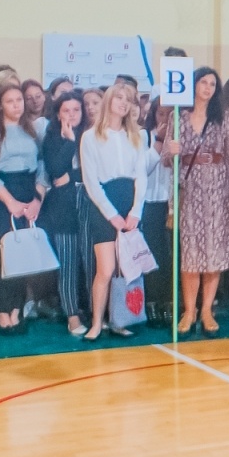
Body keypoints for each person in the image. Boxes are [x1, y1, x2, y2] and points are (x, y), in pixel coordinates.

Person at [164, 67, 229, 336]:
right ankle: (189, 310)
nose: (207, 88)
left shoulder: (222, 118)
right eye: (203, 82)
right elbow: (165, 160)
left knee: (213, 253)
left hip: (218, 189)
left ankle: (207, 309)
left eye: (212, 84)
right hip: (189, 190)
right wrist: (171, 151)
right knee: (191, 254)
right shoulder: (177, 117)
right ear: (193, 85)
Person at [0, 76, 48, 333]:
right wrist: (10, 202)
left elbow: (43, 166)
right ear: (0, 105)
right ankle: (0, 310)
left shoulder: (33, 130)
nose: (16, 105)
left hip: (28, 190)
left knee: (23, 254)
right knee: (2, 253)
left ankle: (16, 308)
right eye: (10, 101)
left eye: (19, 100)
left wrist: (37, 199)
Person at [79, 80, 147, 341]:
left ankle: (120, 319)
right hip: (104, 205)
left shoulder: (137, 136)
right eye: (119, 97)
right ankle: (97, 322)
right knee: (106, 269)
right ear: (108, 100)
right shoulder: (90, 137)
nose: (123, 103)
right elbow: (91, 181)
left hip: (129, 202)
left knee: (126, 268)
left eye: (128, 100)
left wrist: (136, 211)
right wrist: (111, 214)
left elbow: (141, 176)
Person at [40, 92, 88, 336]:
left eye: (76, 110)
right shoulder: (51, 139)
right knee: (68, 264)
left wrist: (72, 176)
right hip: (62, 210)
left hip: (90, 206)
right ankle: (72, 315)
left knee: (90, 263)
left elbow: (98, 171)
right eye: (66, 110)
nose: (72, 114)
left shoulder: (91, 135)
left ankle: (95, 311)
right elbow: (55, 170)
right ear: (58, 114)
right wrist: (69, 141)